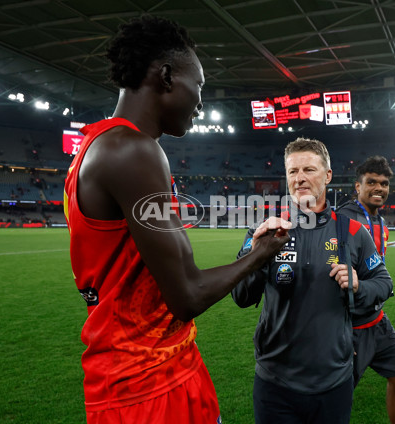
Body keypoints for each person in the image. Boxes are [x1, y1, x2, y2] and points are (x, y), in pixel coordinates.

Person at [63, 15, 290, 424]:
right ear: (166, 77)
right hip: (147, 385)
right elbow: (187, 295)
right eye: (198, 86)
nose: (201, 102)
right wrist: (260, 253)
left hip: (152, 369)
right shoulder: (132, 151)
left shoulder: (97, 145)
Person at [232, 138, 394, 424]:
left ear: (328, 175)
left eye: (309, 169)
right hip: (274, 381)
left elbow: (384, 283)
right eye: (293, 171)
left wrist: (359, 285)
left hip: (333, 382)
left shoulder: (353, 231)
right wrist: (254, 256)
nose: (300, 178)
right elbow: (241, 297)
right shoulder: (266, 229)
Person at [335, 155, 395, 424]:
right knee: (336, 399)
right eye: (371, 182)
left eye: (384, 183)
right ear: (357, 186)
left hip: (377, 320)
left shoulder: (380, 222)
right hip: (350, 326)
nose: (379, 188)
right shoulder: (342, 219)